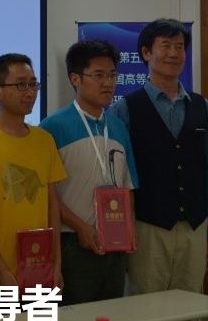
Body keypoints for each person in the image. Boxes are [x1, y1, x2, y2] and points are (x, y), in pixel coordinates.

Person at [106, 18, 208, 301]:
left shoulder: (202, 107)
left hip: (195, 227)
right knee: (146, 307)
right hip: (146, 228)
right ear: (146, 53)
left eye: (179, 47)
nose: (174, 54)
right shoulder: (125, 109)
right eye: (165, 46)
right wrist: (121, 231)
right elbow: (115, 178)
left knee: (189, 308)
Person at [39, 40, 139, 305]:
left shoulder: (118, 127)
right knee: (76, 317)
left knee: (112, 315)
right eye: (98, 75)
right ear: (75, 79)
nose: (108, 83)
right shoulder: (51, 128)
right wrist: (80, 227)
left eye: (112, 75)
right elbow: (47, 195)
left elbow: (127, 185)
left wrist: (129, 228)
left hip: (115, 242)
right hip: (73, 242)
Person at [0, 53, 66, 294]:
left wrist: (56, 264)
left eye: (33, 84)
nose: (30, 93)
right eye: (21, 85)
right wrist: (1, 270)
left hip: (38, 268)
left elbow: (52, 206)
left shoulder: (44, 140)